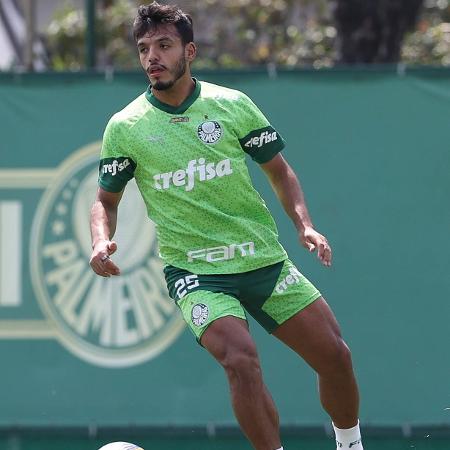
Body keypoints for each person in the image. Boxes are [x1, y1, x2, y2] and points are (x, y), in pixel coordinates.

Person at [89, 3, 364, 450]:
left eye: (163, 45)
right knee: (240, 360)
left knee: (335, 356)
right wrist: (101, 240)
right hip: (197, 274)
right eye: (143, 49)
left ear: (189, 51)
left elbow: (279, 171)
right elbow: (105, 200)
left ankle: (350, 443)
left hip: (263, 261)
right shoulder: (126, 127)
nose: (151, 57)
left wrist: (305, 226)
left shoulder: (231, 105)